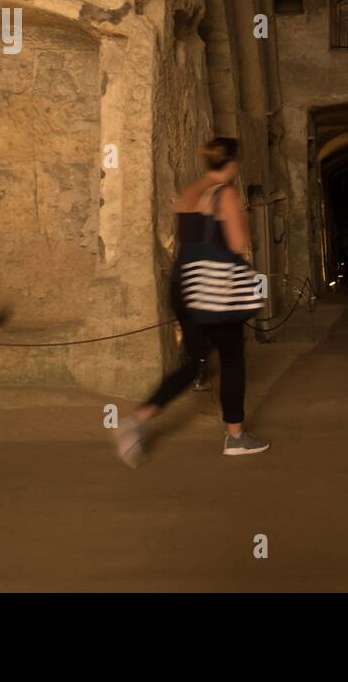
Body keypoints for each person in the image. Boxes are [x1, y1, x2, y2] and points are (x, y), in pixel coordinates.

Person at [116, 137, 268, 464]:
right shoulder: (225, 194)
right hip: (216, 290)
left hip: (185, 284)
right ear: (232, 163)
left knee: (194, 359)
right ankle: (236, 436)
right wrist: (243, 217)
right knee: (231, 359)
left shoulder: (190, 193)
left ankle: (137, 419)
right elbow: (239, 243)